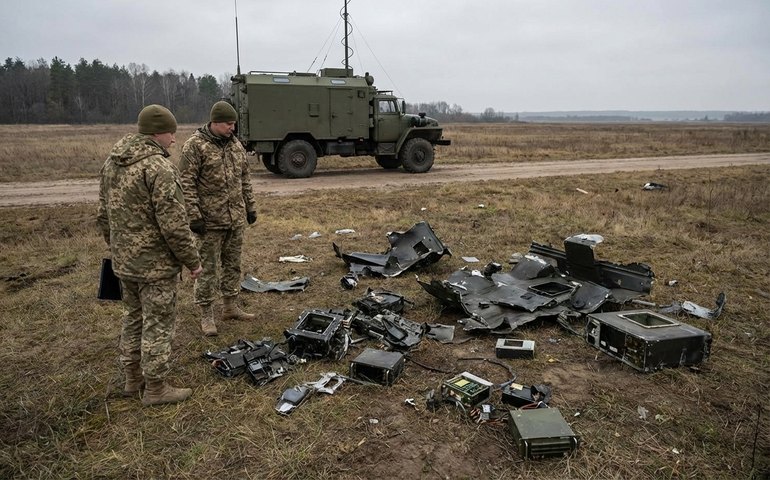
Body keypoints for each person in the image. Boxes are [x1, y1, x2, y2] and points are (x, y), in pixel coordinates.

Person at [97, 104, 203, 406]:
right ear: (159, 132)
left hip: (124, 262)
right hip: (155, 267)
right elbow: (174, 225)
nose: (174, 139)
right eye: (172, 132)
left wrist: (117, 247)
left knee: (132, 318)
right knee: (157, 323)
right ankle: (156, 388)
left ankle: (132, 380)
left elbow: (103, 213)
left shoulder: (113, 162)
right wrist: (192, 261)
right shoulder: (160, 168)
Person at [179, 100, 258, 336]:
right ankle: (206, 315)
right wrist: (194, 216)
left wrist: (250, 207)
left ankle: (230, 307)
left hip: (235, 219)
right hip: (209, 223)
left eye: (234, 124)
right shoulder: (195, 146)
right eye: (227, 124)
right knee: (207, 270)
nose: (232, 128)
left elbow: (244, 179)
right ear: (214, 122)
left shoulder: (235, 145)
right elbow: (186, 183)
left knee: (233, 264)